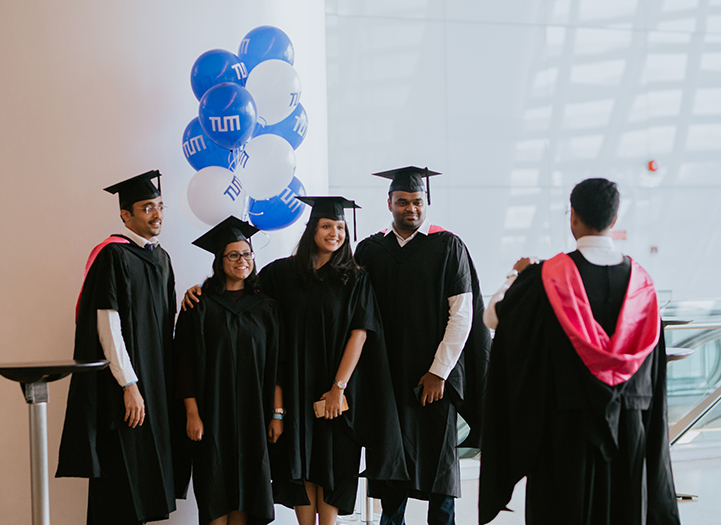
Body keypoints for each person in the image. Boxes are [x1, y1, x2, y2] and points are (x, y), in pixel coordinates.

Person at [183, 197, 407, 525]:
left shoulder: (355, 278)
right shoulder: (282, 273)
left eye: (340, 227)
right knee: (301, 464)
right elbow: (241, 288)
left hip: (337, 393)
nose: (334, 233)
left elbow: (360, 333)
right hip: (296, 389)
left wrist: (338, 387)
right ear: (312, 229)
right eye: (327, 226)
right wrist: (199, 289)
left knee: (333, 466)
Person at [478, 178, 680, 525]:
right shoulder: (644, 287)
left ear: (572, 217)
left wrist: (515, 276)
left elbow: (494, 318)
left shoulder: (545, 279)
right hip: (629, 430)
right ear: (614, 221)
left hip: (563, 432)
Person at [353, 167, 492, 525]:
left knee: (440, 478)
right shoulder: (370, 250)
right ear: (389, 203)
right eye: (402, 202)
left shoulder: (447, 246)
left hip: (432, 381)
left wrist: (438, 372)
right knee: (392, 473)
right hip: (386, 379)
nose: (410, 208)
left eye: (417, 202)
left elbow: (462, 315)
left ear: (426, 202)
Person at [56, 170, 178, 524]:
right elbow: (107, 325)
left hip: (153, 382)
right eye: (146, 208)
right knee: (121, 482)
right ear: (126, 215)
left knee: (145, 476)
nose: (156, 215)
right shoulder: (113, 255)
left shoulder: (161, 259)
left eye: (158, 206)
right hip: (124, 386)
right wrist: (129, 384)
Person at [173, 216, 282, 525]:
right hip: (212, 415)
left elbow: (276, 365)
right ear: (219, 261)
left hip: (254, 418)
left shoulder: (267, 309)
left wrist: (277, 414)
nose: (241, 260)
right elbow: (184, 363)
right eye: (233, 255)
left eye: (246, 254)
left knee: (249, 494)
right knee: (215, 489)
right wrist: (192, 413)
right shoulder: (200, 306)